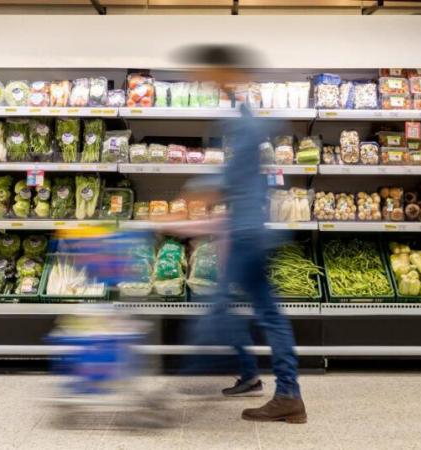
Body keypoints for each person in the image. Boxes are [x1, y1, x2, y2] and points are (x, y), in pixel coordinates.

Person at [174, 44, 307, 423]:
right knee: (245, 310)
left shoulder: (246, 123)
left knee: (231, 311)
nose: (203, 81)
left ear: (227, 73)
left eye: (210, 74)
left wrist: (192, 193)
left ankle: (287, 394)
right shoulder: (243, 113)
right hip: (246, 229)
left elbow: (229, 178)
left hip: (248, 234)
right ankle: (257, 378)